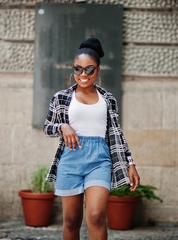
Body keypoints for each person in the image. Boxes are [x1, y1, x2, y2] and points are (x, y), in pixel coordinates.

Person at [44, 37, 140, 240]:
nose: (83, 74)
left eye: (89, 69)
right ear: (73, 69)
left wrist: (130, 163)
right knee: (71, 220)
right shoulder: (61, 98)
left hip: (99, 160)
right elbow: (47, 128)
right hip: (70, 160)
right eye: (78, 69)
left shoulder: (108, 99)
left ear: (98, 70)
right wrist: (62, 126)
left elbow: (116, 134)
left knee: (96, 216)